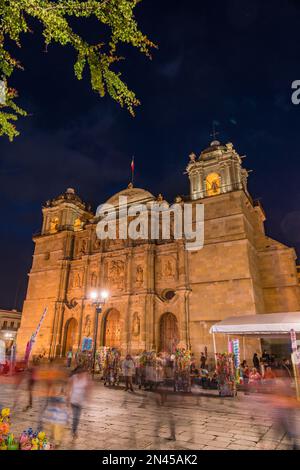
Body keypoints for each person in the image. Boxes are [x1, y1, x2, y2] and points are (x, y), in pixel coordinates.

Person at [68, 366, 92, 439]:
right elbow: (69, 388)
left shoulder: (85, 378)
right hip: (73, 400)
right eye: (80, 373)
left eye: (82, 373)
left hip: (80, 401)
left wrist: (88, 397)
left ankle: (74, 430)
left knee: (77, 417)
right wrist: (68, 397)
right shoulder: (73, 378)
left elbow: (88, 388)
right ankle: (74, 431)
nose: (81, 374)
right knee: (75, 416)